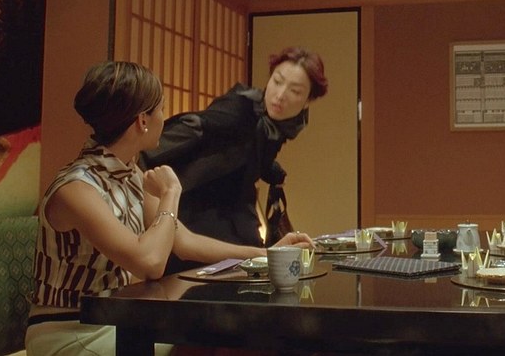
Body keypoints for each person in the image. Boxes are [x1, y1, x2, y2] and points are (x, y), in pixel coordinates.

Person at [25, 61, 313, 356]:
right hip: (69, 331)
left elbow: (185, 242)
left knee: (227, 338)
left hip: (116, 320)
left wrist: (267, 254)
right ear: (142, 121)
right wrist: (171, 192)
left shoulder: (130, 173)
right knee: (203, 344)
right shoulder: (77, 188)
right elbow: (149, 262)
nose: (165, 118)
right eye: (161, 109)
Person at [140, 46, 328, 274]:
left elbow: (248, 155)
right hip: (195, 210)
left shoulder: (279, 123)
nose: (280, 95)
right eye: (277, 81)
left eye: (295, 91)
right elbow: (192, 128)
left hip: (232, 208)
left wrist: (271, 170)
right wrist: (137, 153)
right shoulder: (239, 109)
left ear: (308, 101)